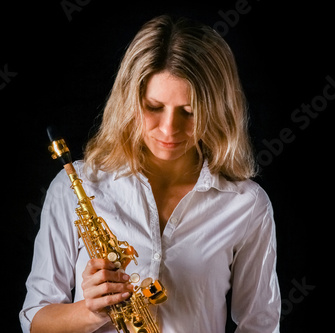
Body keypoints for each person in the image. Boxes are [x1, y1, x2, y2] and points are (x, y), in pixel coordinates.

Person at [20, 15, 281, 332]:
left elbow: (261, 325)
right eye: (154, 106)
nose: (169, 129)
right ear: (130, 100)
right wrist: (92, 312)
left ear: (217, 109)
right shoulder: (74, 186)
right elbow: (35, 320)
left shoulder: (248, 205)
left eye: (189, 111)